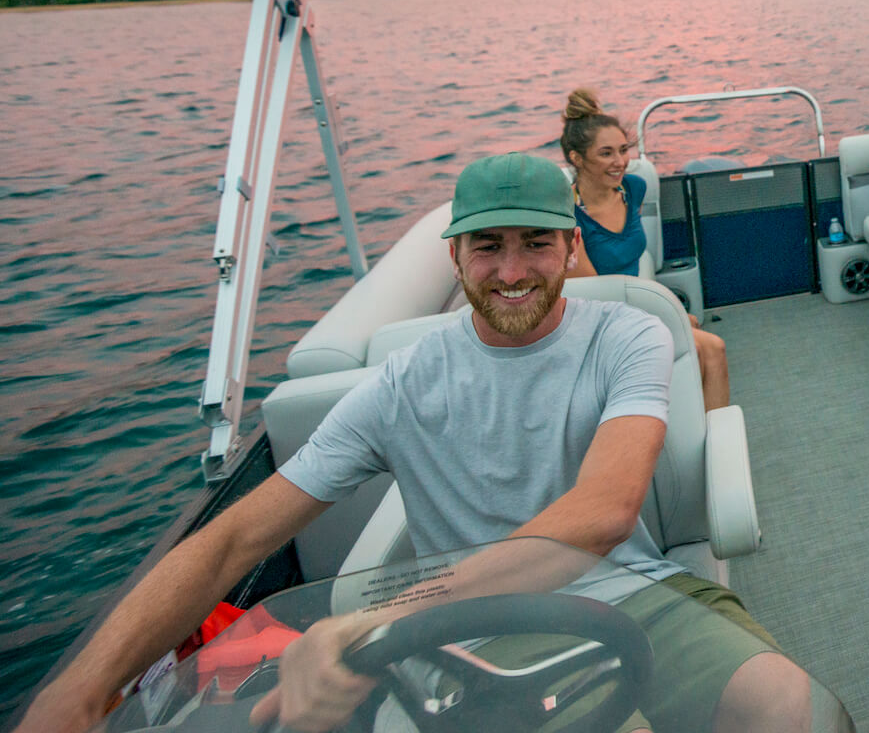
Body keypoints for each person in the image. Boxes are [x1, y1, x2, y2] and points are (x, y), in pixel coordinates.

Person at [20, 153, 809, 733]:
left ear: (571, 247)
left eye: (534, 243)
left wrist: (376, 616)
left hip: (635, 591)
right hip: (472, 633)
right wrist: (81, 693)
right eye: (487, 246)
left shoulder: (627, 334)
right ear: (456, 257)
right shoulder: (402, 385)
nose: (511, 270)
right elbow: (231, 540)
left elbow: (602, 514)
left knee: (790, 706)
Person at [562, 87, 729, 412]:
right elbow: (595, 298)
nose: (620, 162)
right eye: (606, 153)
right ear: (576, 158)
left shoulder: (632, 189)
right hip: (597, 323)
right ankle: (708, 449)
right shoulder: (568, 217)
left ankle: (709, 437)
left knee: (702, 340)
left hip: (630, 306)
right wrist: (665, 315)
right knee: (708, 349)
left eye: (623, 150)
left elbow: (627, 262)